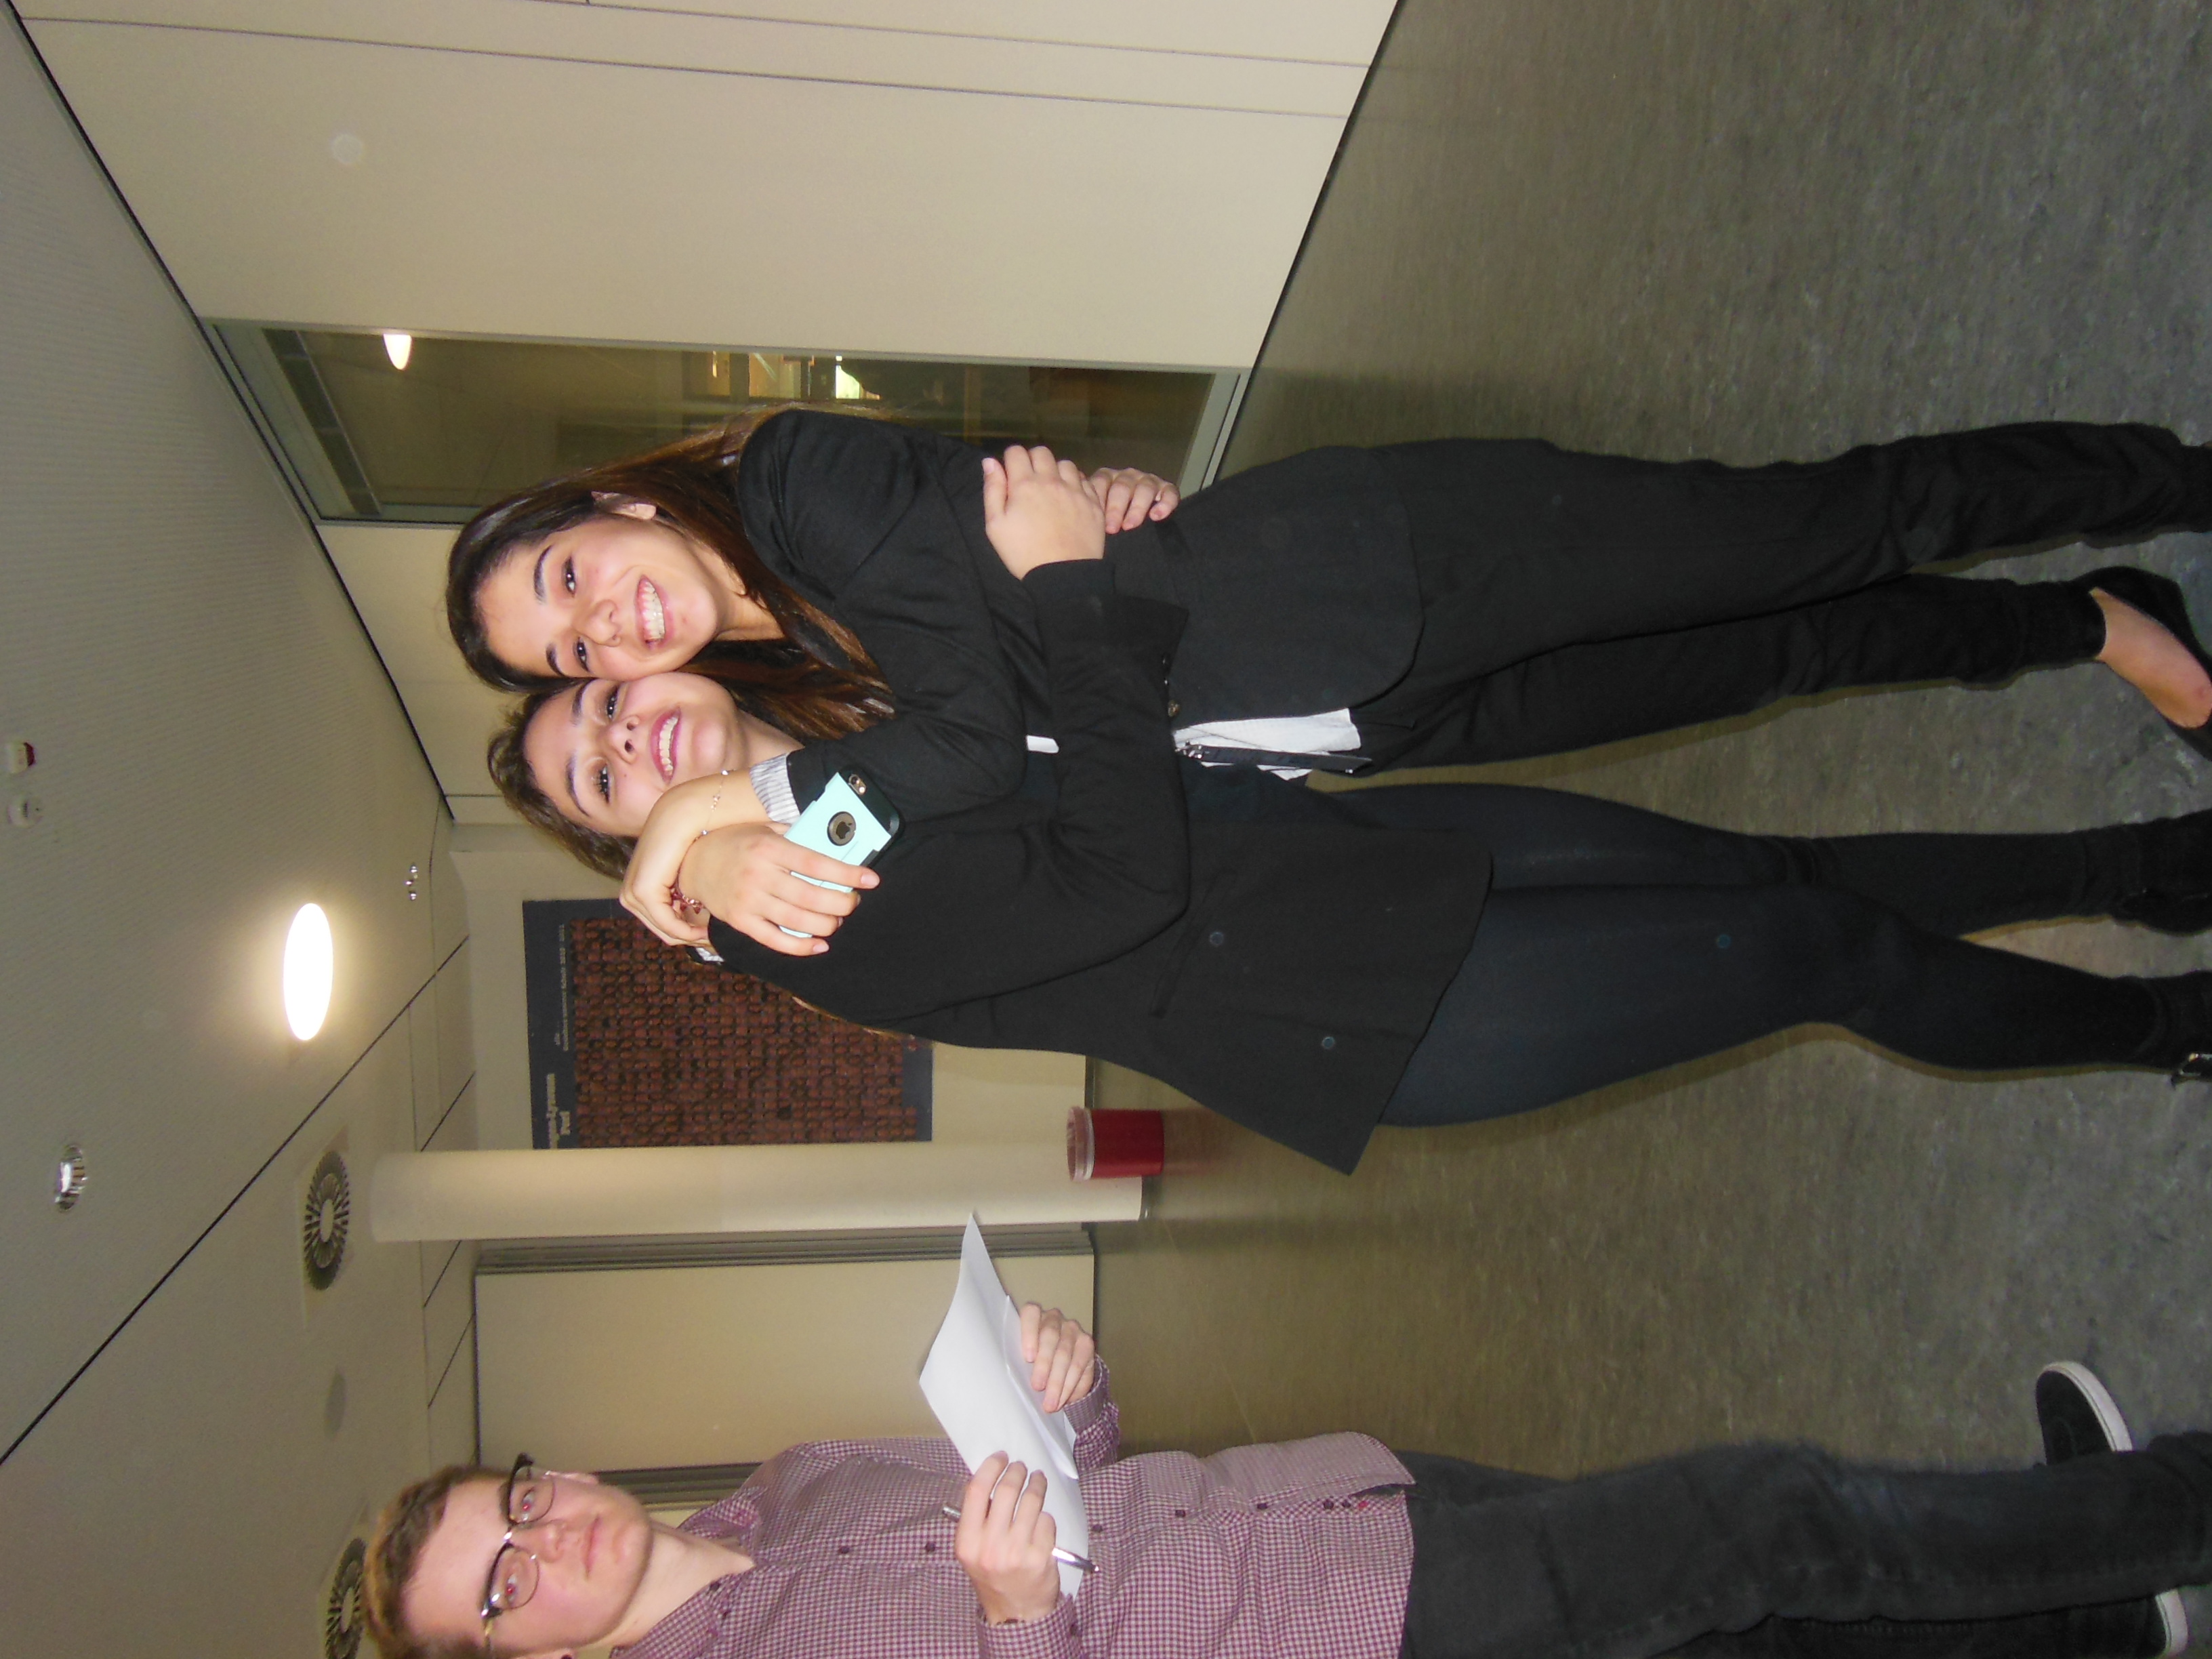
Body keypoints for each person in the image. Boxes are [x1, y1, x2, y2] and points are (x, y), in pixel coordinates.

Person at [482, 452, 2212, 1174]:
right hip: (1348, 993)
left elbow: (995, 614)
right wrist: (708, 831)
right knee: (1822, 946)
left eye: (598, 683)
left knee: (1788, 857)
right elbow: (1100, 859)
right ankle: (2174, 1028)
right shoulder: (780, 886)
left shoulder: (816, 704)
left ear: (613, 510)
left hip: (1343, 824)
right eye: (599, 762)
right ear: (625, 847)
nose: (623, 696)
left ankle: (2144, 859)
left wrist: (1108, 523)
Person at [448, 406, 2212, 947]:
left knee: (1815, 531)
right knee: (1773, 659)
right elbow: (970, 759)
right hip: (1351, 716)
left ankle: (2167, 477)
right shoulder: (809, 680)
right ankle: (2087, 624)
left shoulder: (789, 487)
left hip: (1386, 565)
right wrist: (724, 837)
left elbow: (974, 740)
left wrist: (701, 811)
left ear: (614, 504)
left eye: (570, 586)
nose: (610, 640)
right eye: (571, 657)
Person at [363, 1303, 2212, 1659]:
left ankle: (2097, 1612)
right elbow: (1029, 1604)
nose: (547, 1541)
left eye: (510, 1506)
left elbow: (1048, 1473)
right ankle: (2155, 1518)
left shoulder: (794, 1481)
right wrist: (1015, 1624)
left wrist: (1070, 1396)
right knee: (1762, 1520)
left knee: (1723, 1616)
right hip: (1336, 1638)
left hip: (1328, 1500)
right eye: (499, 1591)